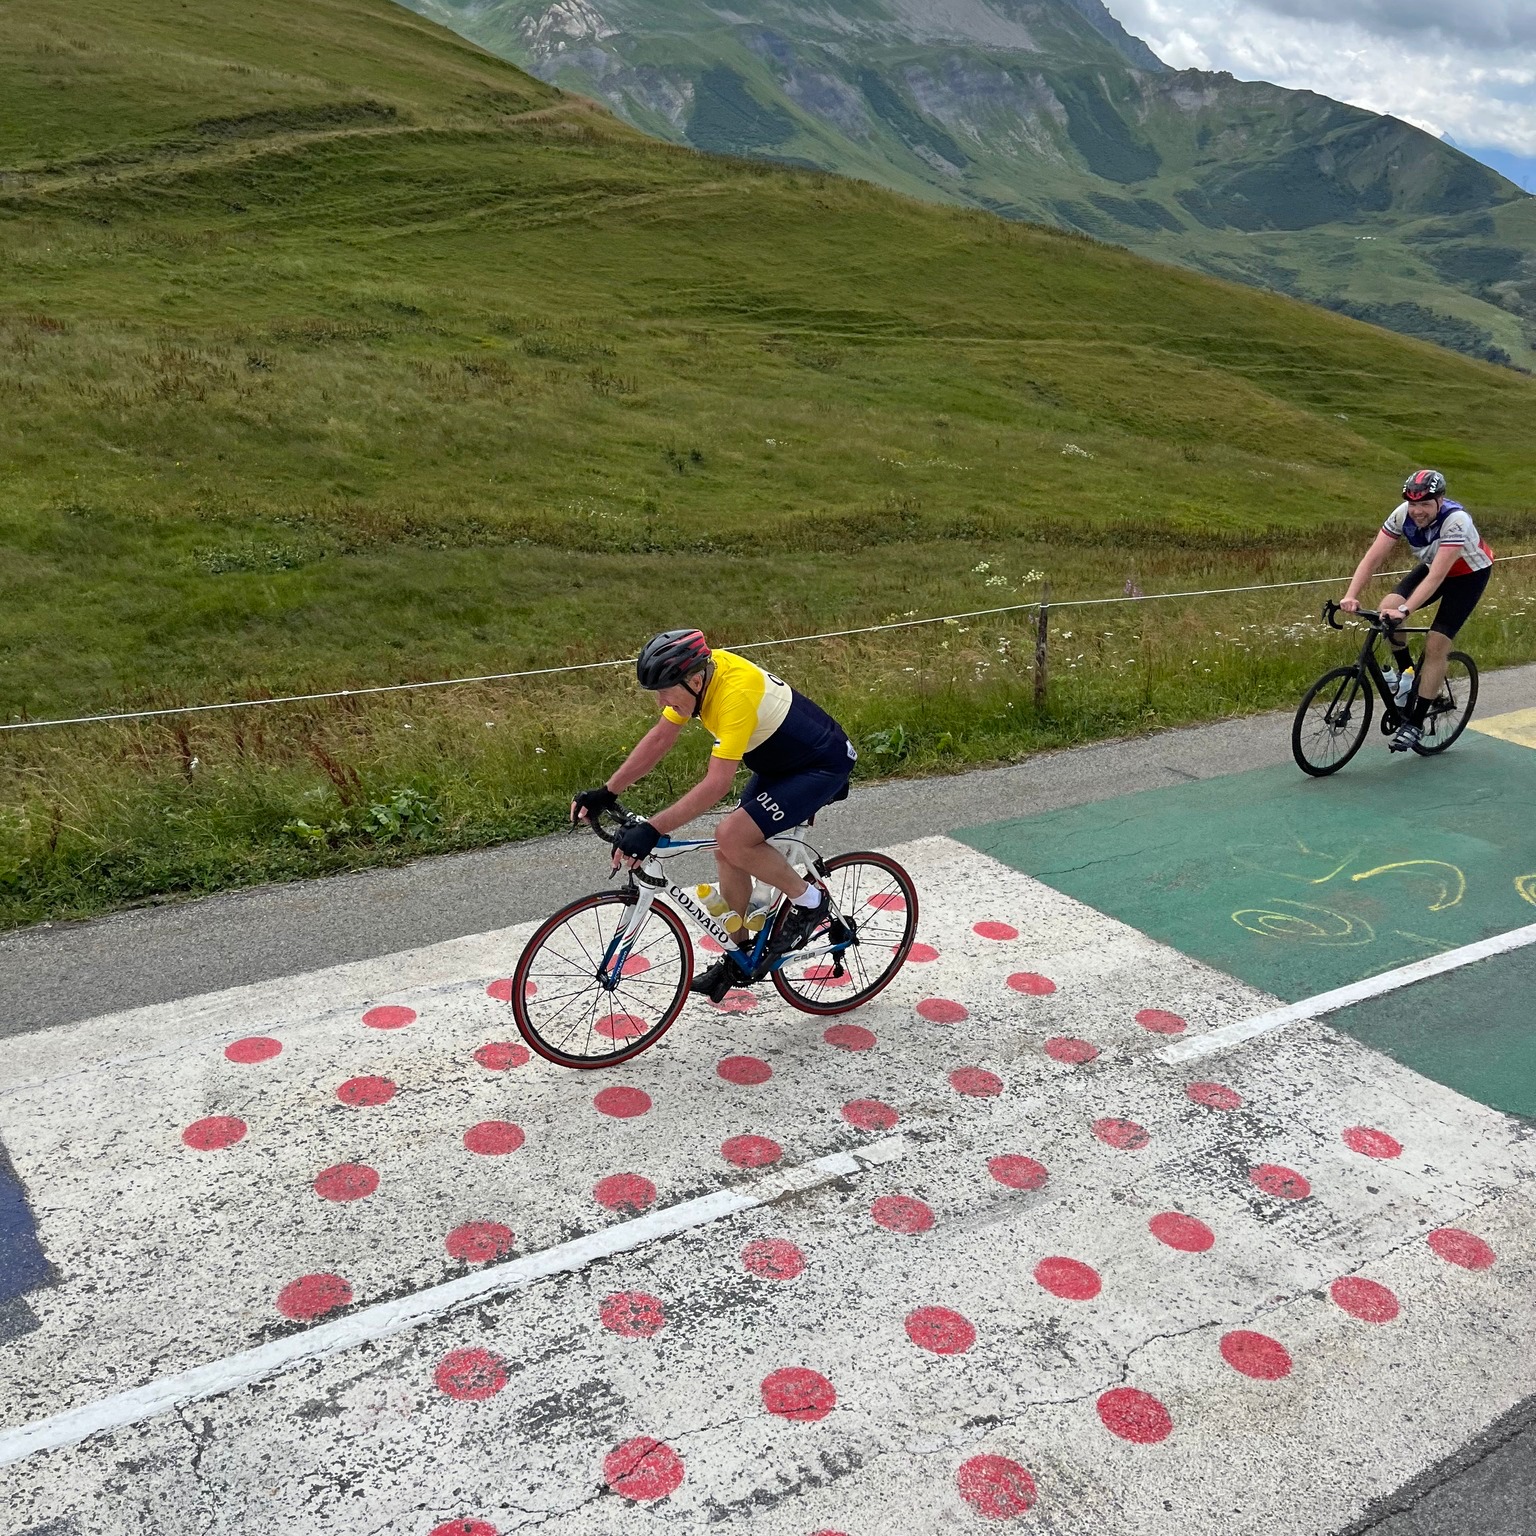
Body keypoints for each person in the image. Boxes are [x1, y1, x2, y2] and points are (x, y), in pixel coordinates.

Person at [571, 630, 857, 1001]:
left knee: (733, 836)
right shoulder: (699, 677)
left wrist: (653, 829)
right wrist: (608, 791)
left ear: (694, 682)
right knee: (728, 853)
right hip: (779, 766)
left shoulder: (733, 694)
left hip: (819, 766)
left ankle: (810, 902)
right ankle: (739, 956)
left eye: (664, 692)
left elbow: (716, 784)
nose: (661, 701)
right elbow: (660, 737)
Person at [1340, 469, 1493, 751]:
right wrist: (1350, 595)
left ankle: (1416, 722)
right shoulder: (1402, 515)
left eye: (1424, 504)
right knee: (1386, 607)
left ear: (1440, 501)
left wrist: (1406, 610)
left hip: (1468, 575)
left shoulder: (1456, 520)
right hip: (1434, 566)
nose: (1417, 511)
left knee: (1436, 643)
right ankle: (1407, 674)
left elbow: (1436, 577)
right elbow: (1372, 558)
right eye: (1413, 504)